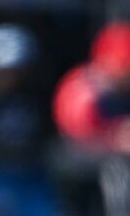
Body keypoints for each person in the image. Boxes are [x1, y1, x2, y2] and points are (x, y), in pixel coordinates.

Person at [53, 20, 130, 152]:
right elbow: (79, 141)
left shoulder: (123, 88)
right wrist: (116, 139)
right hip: (83, 163)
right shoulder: (82, 90)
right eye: (124, 66)